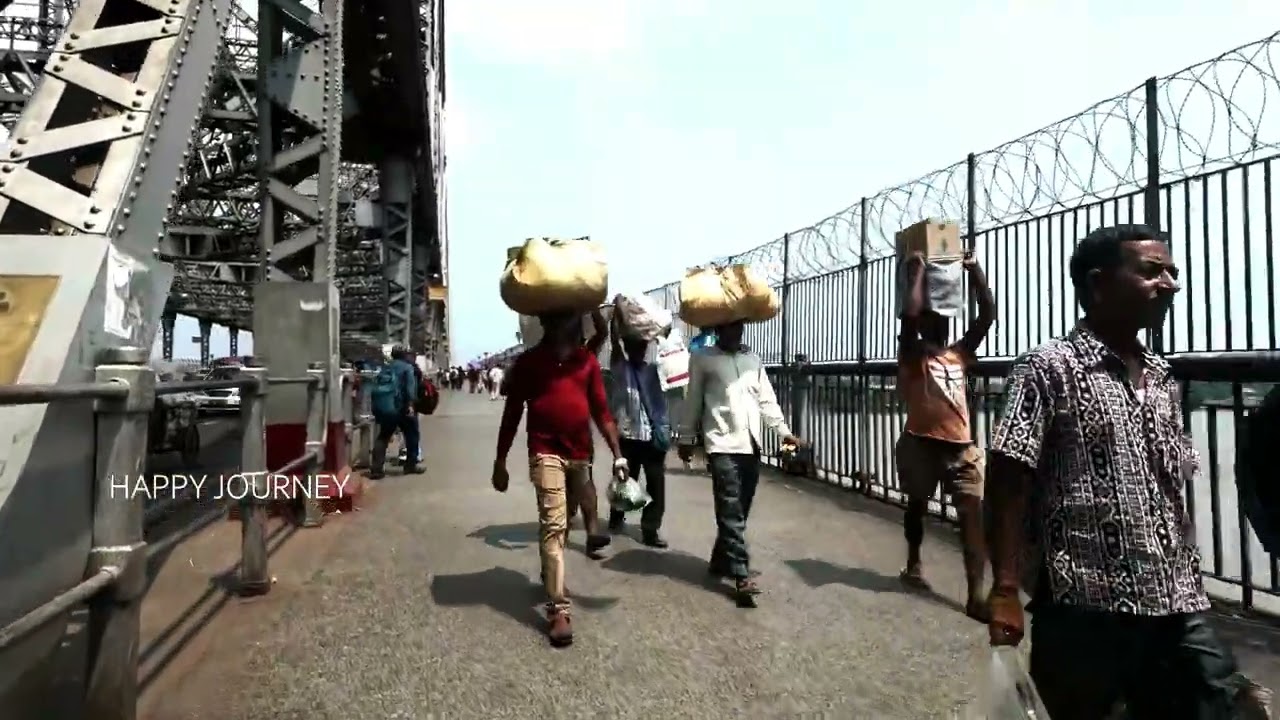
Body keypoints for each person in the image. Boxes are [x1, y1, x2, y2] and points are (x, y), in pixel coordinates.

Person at [986, 224, 1268, 719]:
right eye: (1151, 271)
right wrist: (1005, 589)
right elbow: (1009, 475)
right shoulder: (1047, 368)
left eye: (1173, 273)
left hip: (1177, 598)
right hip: (1085, 603)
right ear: (1098, 284)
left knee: (1220, 704)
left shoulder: (1161, 375)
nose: (1170, 284)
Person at [492, 311, 629, 647]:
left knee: (564, 521)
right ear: (548, 323)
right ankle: (559, 609)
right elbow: (512, 413)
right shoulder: (529, 363)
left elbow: (601, 412)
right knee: (553, 524)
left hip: (580, 454)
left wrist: (618, 455)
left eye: (570, 320)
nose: (564, 326)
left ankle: (549, 571)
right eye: (559, 320)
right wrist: (500, 460)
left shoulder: (586, 362)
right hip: (545, 452)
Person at [895, 248, 994, 621]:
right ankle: (914, 562)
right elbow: (908, 315)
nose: (940, 326)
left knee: (972, 517)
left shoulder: (959, 355)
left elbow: (986, 316)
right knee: (916, 507)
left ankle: (975, 595)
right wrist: (918, 271)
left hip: (962, 449)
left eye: (943, 321)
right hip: (921, 444)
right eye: (932, 320)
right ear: (923, 324)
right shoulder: (911, 354)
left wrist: (974, 270)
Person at [677, 319, 801, 607]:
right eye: (729, 328)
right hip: (720, 444)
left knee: (740, 508)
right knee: (730, 506)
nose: (735, 333)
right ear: (718, 329)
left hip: (750, 445)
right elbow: (693, 399)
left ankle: (721, 560)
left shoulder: (752, 360)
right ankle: (741, 575)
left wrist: (784, 433)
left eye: (739, 328)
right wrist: (686, 438)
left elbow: (767, 402)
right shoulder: (703, 359)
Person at [605, 311, 671, 548]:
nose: (639, 350)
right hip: (629, 437)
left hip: (652, 437)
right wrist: (616, 318)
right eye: (634, 346)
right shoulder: (620, 368)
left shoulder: (654, 371)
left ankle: (650, 530)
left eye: (642, 346)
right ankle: (616, 516)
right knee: (624, 481)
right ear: (627, 347)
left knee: (656, 486)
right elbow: (614, 342)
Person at [369, 346, 422, 479]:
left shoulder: (386, 367)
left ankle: (376, 469)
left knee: (383, 436)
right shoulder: (407, 367)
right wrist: (411, 405)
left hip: (387, 407)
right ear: (404, 355)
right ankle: (410, 465)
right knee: (412, 435)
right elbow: (410, 389)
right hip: (402, 408)